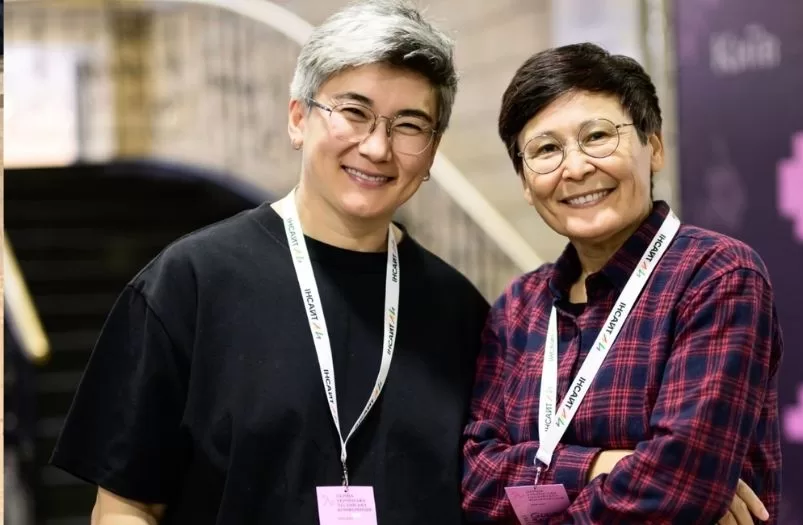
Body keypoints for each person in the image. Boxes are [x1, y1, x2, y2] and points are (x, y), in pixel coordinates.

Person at [49, 2, 490, 524]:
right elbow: (126, 506)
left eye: (410, 124)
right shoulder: (190, 283)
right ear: (299, 118)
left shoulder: (461, 311)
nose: (376, 147)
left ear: (433, 150)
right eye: (353, 112)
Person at [462, 43, 783, 524]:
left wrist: (544, 476)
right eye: (547, 149)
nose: (575, 168)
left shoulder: (716, 277)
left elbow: (675, 486)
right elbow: (476, 479)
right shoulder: (516, 309)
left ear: (653, 148)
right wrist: (602, 464)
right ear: (526, 184)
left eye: (597, 136)